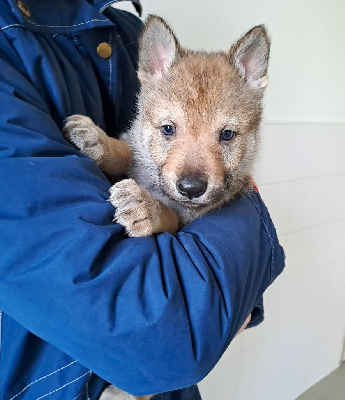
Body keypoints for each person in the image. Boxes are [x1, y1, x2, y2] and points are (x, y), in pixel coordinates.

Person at [0, 0, 285, 399]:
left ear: (254, 78)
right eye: (170, 129)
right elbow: (138, 154)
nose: (193, 170)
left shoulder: (123, 26)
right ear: (153, 69)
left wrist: (168, 215)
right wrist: (112, 152)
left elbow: (189, 219)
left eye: (225, 136)